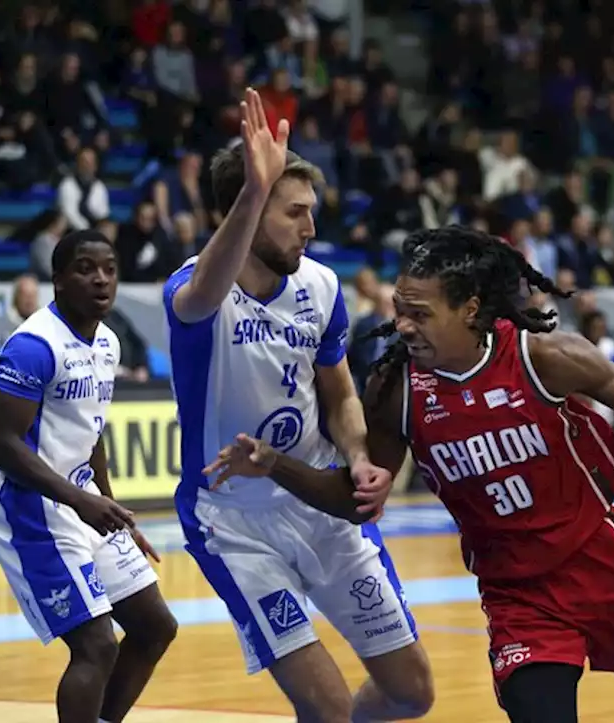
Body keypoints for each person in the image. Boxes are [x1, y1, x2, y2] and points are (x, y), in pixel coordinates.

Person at [205, 227, 614, 723]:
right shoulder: (399, 388)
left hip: (602, 560)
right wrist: (276, 465)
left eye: (419, 311)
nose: (401, 323)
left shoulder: (546, 357)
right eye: (399, 308)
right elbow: (355, 500)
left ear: (468, 307)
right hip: (517, 591)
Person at [162, 89, 433, 722]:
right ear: (249, 211)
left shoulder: (321, 285)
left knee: (411, 694)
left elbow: (337, 388)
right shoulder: (193, 289)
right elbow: (204, 295)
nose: (311, 228)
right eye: (294, 213)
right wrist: (255, 189)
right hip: (234, 525)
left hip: (321, 508)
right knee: (328, 710)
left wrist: (360, 454)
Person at [0, 229, 178, 723]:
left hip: (78, 495)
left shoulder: (108, 342)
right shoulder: (32, 345)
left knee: (155, 626)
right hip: (28, 505)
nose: (101, 279)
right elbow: (0, 445)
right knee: (95, 645)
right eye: (86, 269)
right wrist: (81, 501)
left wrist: (115, 513)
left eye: (109, 268)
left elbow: (93, 434)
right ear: (58, 280)